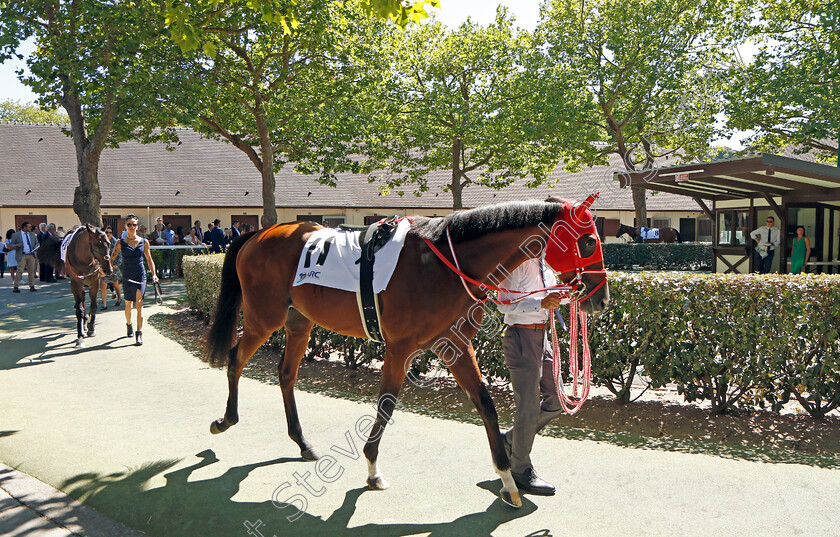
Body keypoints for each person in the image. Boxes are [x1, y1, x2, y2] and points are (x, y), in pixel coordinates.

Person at [496, 255, 564, 496]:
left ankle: (511, 440)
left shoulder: (546, 263)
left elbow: (551, 298)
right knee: (528, 407)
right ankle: (520, 469)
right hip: (521, 337)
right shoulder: (517, 263)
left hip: (541, 337)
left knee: (558, 401)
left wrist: (566, 294)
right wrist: (540, 304)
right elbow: (503, 304)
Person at [111, 214, 159, 346]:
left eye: (134, 224)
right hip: (127, 276)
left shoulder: (144, 242)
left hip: (140, 276)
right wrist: (108, 269)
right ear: (126, 226)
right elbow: (112, 258)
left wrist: (154, 274)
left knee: (139, 304)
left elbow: (149, 259)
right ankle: (129, 324)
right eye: (129, 224)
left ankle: (139, 334)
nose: (132, 227)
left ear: (137, 226)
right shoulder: (120, 243)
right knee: (128, 305)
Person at [9, 221, 39, 292]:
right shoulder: (16, 235)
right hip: (22, 255)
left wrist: (36, 246)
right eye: (29, 227)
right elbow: (11, 245)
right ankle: (16, 286)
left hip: (31, 255)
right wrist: (16, 245)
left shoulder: (32, 234)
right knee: (20, 270)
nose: (30, 228)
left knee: (31, 271)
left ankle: (32, 285)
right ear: (24, 227)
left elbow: (37, 242)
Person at [99, 227, 122, 309]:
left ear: (112, 234)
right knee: (103, 285)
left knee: (115, 284)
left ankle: (119, 298)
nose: (108, 234)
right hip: (104, 268)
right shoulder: (101, 243)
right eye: (106, 232)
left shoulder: (115, 243)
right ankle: (104, 305)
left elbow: (119, 256)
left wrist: (117, 265)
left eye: (110, 232)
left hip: (113, 267)